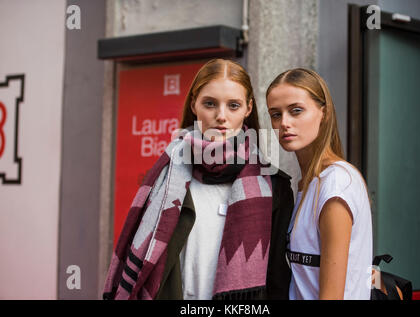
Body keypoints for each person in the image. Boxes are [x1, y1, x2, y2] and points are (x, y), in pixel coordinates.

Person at [103, 59, 294, 300]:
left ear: (248, 108)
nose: (221, 116)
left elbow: (278, 282)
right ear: (194, 104)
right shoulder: (166, 176)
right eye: (210, 104)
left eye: (233, 105)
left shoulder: (274, 185)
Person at [266, 68, 373, 300]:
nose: (284, 123)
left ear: (322, 113)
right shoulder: (309, 183)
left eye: (296, 111)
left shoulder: (336, 183)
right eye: (275, 114)